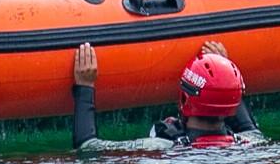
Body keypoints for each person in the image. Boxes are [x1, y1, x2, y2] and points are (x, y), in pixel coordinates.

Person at [69, 39, 262, 151]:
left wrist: (85, 85)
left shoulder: (162, 145)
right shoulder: (251, 141)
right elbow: (246, 125)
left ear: (186, 98)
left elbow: (88, 145)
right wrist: (223, 68)